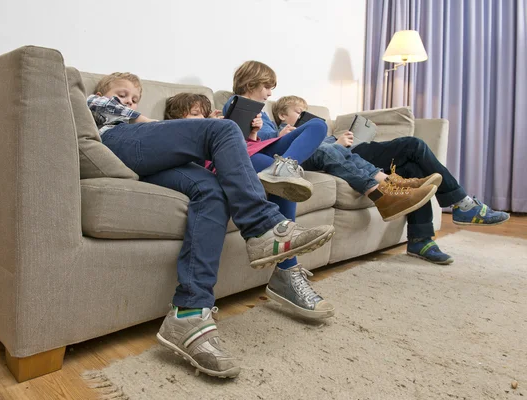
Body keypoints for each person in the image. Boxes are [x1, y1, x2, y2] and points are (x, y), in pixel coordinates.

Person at [86, 72, 335, 378]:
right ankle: (261, 227)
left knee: (212, 192)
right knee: (224, 129)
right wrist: (170, 126)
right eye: (121, 94)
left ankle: (189, 313)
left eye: (135, 98)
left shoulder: (147, 128)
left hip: (148, 162)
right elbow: (118, 112)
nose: (129, 101)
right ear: (104, 92)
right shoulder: (97, 105)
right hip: (118, 144)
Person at [272, 95, 510, 265]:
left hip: (351, 150)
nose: (306, 117)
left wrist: (341, 137)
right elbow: (313, 152)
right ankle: (461, 205)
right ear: (283, 114)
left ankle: (421, 239)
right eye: (300, 113)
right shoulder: (284, 133)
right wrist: (334, 143)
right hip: (342, 153)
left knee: (411, 165)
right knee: (413, 145)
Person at [165, 91, 336, 321]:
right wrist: (208, 129)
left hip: (255, 146)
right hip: (231, 157)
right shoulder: (174, 137)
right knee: (280, 180)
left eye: (205, 115)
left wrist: (252, 133)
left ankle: (285, 167)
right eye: (196, 114)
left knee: (317, 125)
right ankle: (287, 273)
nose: (203, 118)